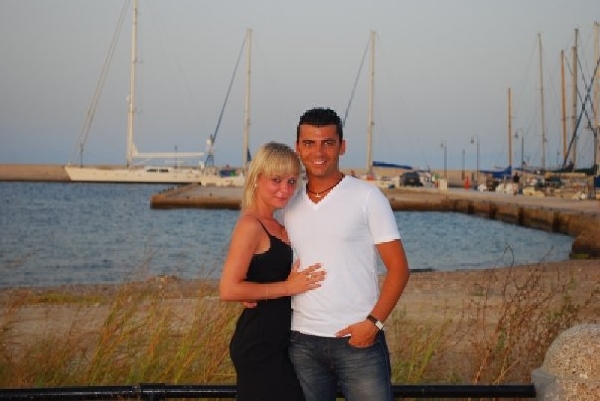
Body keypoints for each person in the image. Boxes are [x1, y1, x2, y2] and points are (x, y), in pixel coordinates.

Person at [283, 107, 411, 401]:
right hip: (302, 341)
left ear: (342, 146)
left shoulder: (367, 197)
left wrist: (373, 324)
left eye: (328, 143)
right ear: (298, 147)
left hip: (358, 340)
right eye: (309, 143)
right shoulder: (288, 203)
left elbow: (399, 269)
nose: (319, 152)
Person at [219, 142, 326, 401]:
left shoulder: (277, 223)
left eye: (291, 181)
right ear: (257, 179)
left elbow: (258, 277)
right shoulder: (251, 225)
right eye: (276, 180)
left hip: (281, 341)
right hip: (259, 345)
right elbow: (228, 289)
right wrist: (287, 288)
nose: (285, 189)